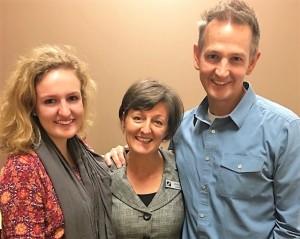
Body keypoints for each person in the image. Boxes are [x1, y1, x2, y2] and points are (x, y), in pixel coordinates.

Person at [104, 0, 300, 238]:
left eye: (236, 59)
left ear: (252, 61)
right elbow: (157, 165)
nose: (221, 71)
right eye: (213, 56)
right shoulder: (181, 128)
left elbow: (292, 230)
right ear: (197, 56)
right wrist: (124, 154)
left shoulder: (285, 131)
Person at [0, 44, 115, 239]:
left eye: (72, 98)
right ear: (32, 106)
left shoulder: (80, 147)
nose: (65, 111)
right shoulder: (23, 169)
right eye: (50, 101)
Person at [108, 79, 185, 238]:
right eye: (138, 118)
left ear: (167, 130)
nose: (146, 129)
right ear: (124, 121)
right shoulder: (103, 173)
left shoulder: (182, 169)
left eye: (158, 122)